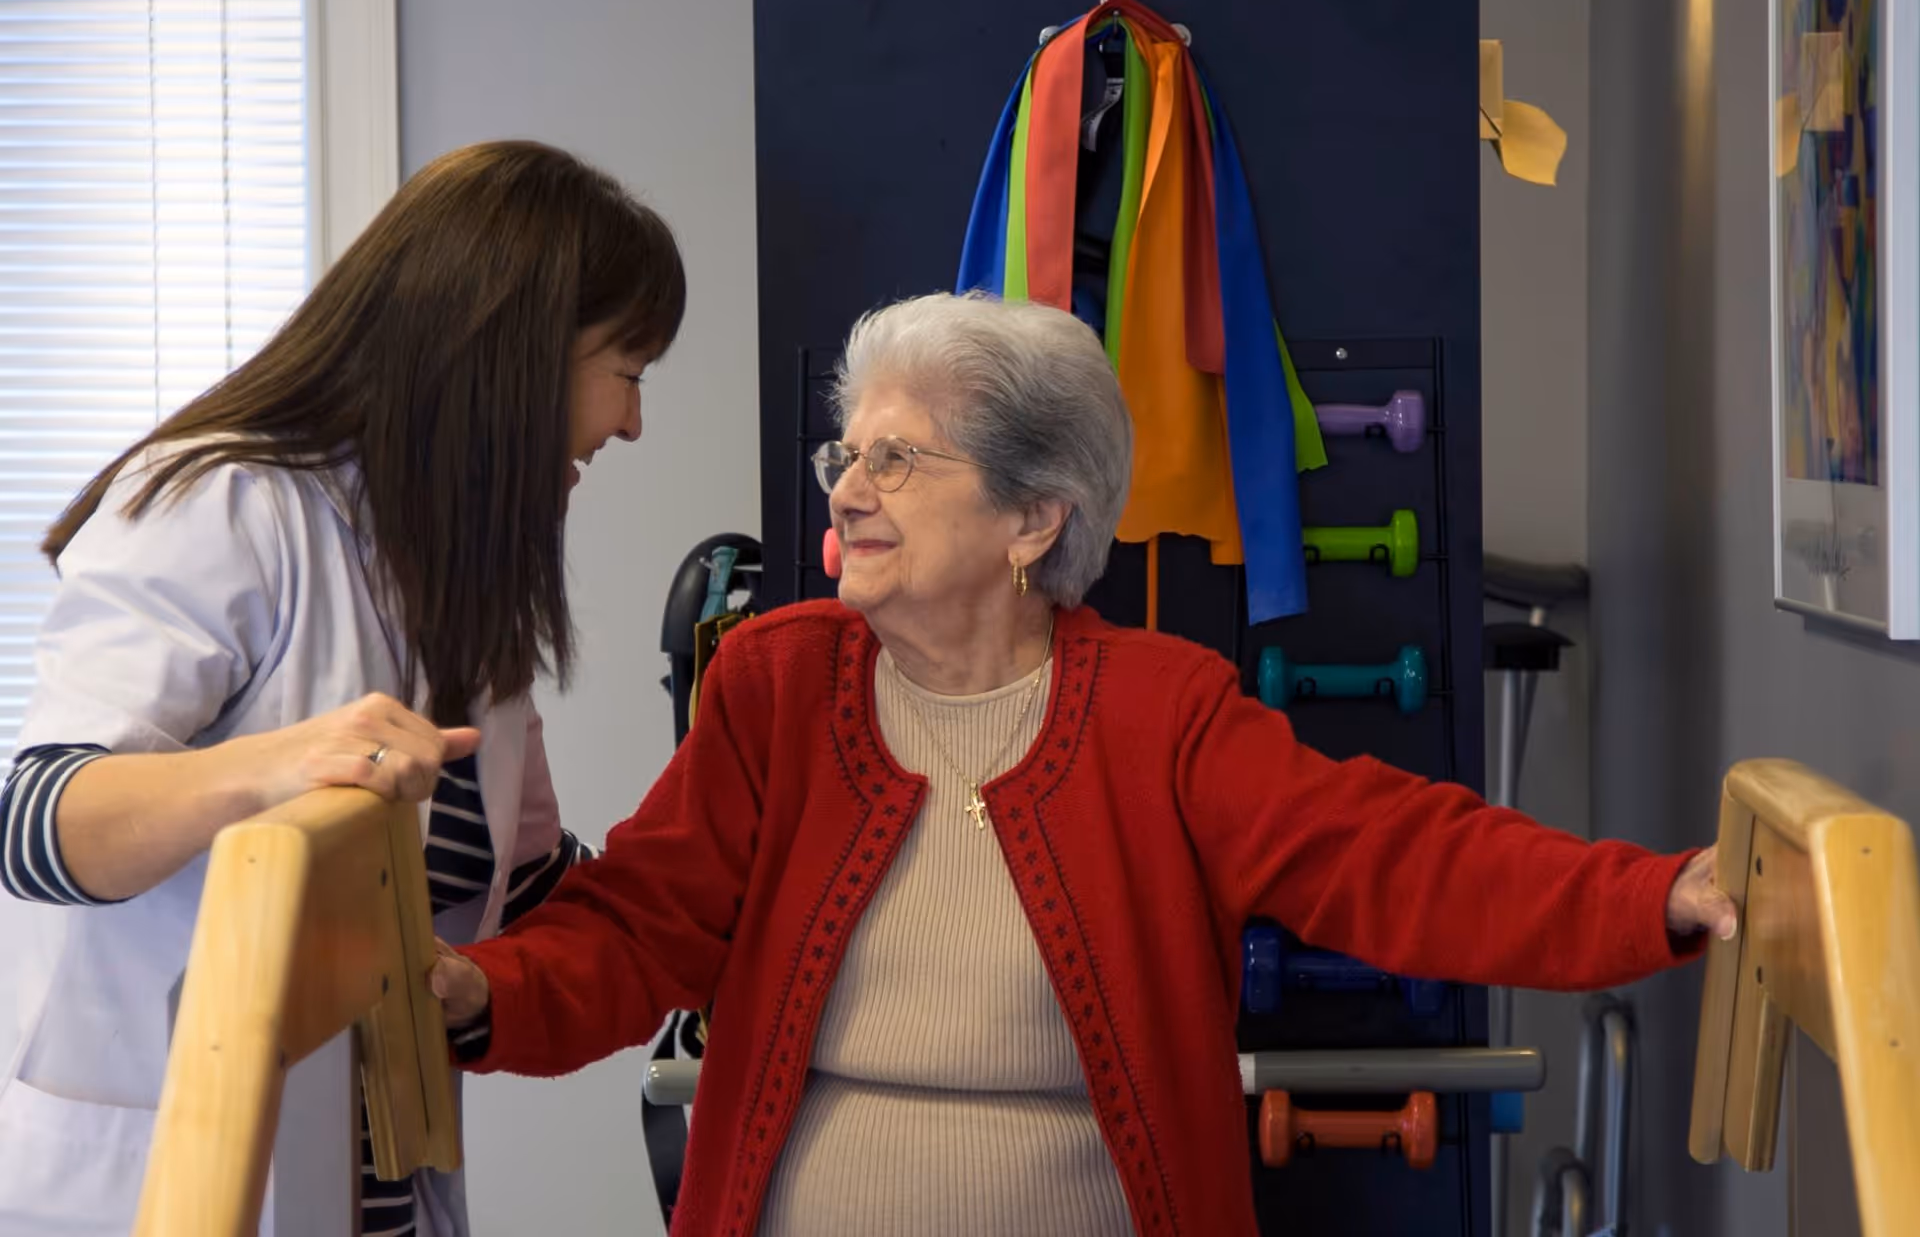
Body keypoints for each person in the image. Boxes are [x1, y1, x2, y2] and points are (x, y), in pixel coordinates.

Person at [428, 292, 1733, 1237]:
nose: (845, 490)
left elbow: (1394, 855)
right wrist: (478, 994)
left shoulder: (1157, 714)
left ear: (1033, 517)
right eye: (846, 454)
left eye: (896, 457)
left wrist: (1656, 895)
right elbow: (642, 921)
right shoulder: (775, 683)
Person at [0, 140, 686, 1237]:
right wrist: (274, 764)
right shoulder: (228, 505)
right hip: (156, 1180)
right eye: (629, 368)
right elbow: (41, 825)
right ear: (517, 352)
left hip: (383, 1196)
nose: (632, 422)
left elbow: (542, 885)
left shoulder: (469, 589)